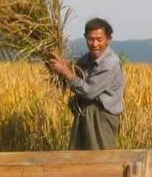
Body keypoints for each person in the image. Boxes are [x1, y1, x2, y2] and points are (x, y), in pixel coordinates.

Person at [48, 17, 125, 150]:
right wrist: (61, 64)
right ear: (85, 38)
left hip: (101, 117)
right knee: (80, 157)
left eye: (99, 39)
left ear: (108, 40)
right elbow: (76, 69)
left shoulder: (110, 63)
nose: (94, 44)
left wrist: (65, 72)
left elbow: (88, 91)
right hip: (85, 113)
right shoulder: (88, 58)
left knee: (99, 159)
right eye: (91, 39)